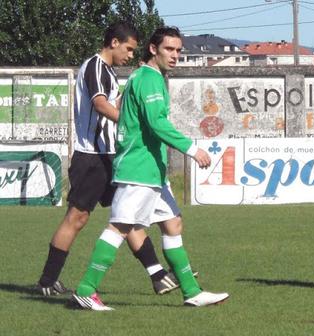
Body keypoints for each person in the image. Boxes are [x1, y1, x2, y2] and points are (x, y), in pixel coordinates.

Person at [70, 26, 229, 310]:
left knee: (173, 223)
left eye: (179, 50)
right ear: (153, 49)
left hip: (152, 169)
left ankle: (191, 291)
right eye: (169, 49)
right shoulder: (148, 79)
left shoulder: (147, 77)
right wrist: (192, 149)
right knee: (119, 226)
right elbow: (157, 123)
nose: (175, 55)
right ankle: (86, 288)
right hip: (138, 167)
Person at [37, 21, 180, 297]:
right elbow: (100, 104)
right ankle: (47, 281)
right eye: (127, 49)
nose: (129, 55)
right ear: (114, 43)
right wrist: (131, 123)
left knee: (126, 217)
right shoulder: (94, 66)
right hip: (90, 157)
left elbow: (116, 105)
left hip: (110, 156)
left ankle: (158, 275)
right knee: (77, 219)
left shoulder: (111, 72)